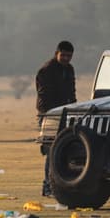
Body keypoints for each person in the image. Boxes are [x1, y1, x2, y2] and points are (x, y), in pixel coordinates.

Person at [36, 40, 76, 196]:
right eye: (63, 55)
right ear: (56, 53)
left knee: (62, 150)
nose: (66, 58)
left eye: (69, 56)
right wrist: (51, 114)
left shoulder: (69, 69)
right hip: (49, 115)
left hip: (65, 114)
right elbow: (44, 96)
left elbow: (72, 92)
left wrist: (73, 109)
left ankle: (59, 185)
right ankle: (48, 186)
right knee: (52, 150)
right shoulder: (47, 70)